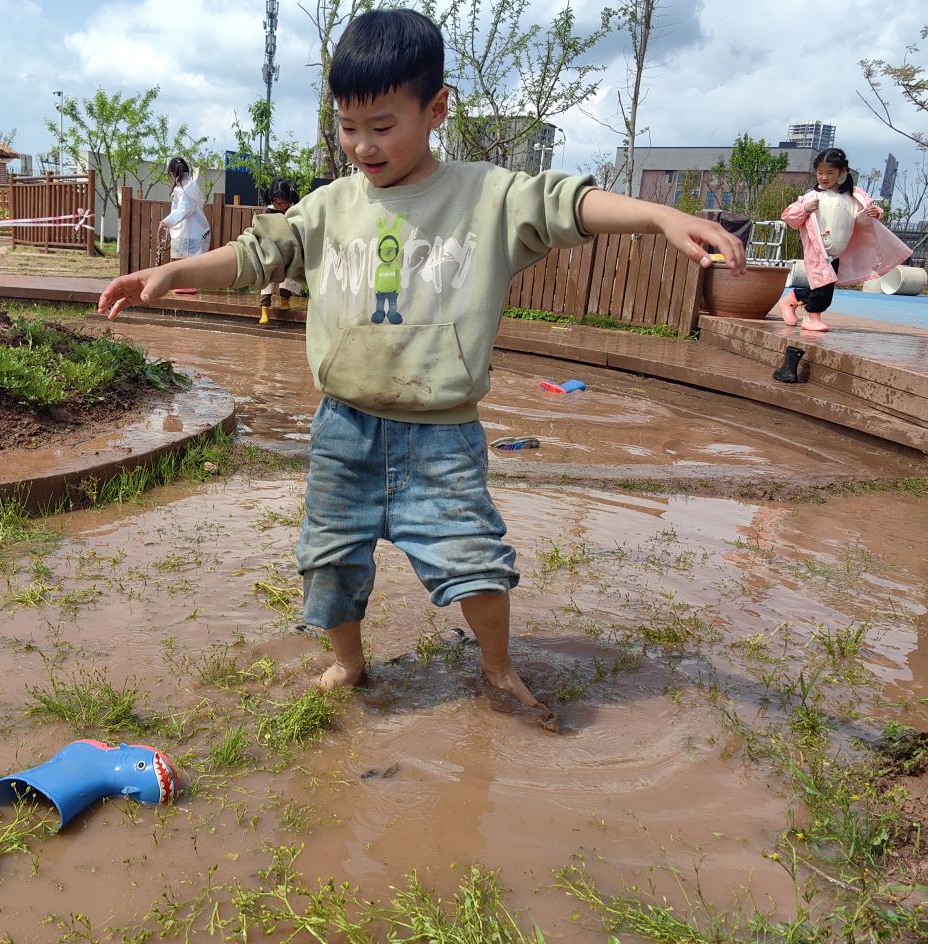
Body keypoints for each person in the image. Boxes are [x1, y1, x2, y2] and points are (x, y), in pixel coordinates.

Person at [98, 8, 745, 730]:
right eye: (348, 128)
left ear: (436, 108)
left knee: (474, 557)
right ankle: (348, 661)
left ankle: (497, 668)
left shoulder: (486, 197)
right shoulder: (328, 206)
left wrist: (659, 218)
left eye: (381, 125)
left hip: (440, 435)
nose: (362, 146)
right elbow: (256, 253)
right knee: (329, 556)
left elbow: (569, 204)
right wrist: (171, 271)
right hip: (343, 426)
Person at [778, 147, 911, 332]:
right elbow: (789, 217)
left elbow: (871, 208)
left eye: (829, 173)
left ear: (842, 172)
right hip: (818, 251)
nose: (824, 177)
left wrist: (876, 212)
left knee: (824, 286)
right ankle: (812, 316)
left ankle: (791, 300)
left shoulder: (854, 195)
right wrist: (805, 209)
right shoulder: (812, 196)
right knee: (823, 286)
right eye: (820, 173)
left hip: (838, 251)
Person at [159, 157, 210, 296]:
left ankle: (187, 285)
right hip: (196, 229)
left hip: (189, 232)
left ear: (171, 174)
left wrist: (166, 222)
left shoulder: (184, 188)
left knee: (186, 259)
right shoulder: (190, 186)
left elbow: (183, 209)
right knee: (191, 260)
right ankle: (187, 284)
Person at [259, 178, 303, 325]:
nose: (281, 206)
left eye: (284, 203)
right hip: (271, 249)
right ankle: (264, 309)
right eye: (277, 203)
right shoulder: (268, 212)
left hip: (288, 249)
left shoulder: (293, 211)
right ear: (272, 200)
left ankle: (285, 299)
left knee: (291, 272)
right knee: (268, 276)